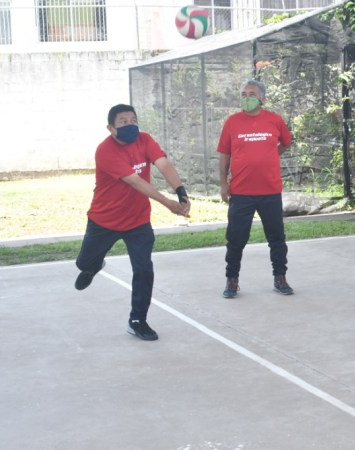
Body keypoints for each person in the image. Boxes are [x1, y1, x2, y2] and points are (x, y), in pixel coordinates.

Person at [74, 104, 190, 341]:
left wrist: (180, 192)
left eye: (133, 120)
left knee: (144, 269)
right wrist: (167, 203)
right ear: (111, 128)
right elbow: (135, 181)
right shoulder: (105, 151)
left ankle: (137, 320)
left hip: (138, 221)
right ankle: (94, 266)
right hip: (104, 220)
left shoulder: (145, 140)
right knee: (83, 263)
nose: (130, 125)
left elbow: (163, 164)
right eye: (123, 122)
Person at [218, 79, 294, 299]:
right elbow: (225, 154)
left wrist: (271, 155)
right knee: (236, 239)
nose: (246, 97)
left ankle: (280, 277)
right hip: (241, 192)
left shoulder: (274, 120)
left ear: (262, 98)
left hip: (270, 191)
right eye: (243, 94)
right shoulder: (232, 122)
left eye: (251, 94)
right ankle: (232, 280)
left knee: (276, 238)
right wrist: (223, 183)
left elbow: (286, 142)